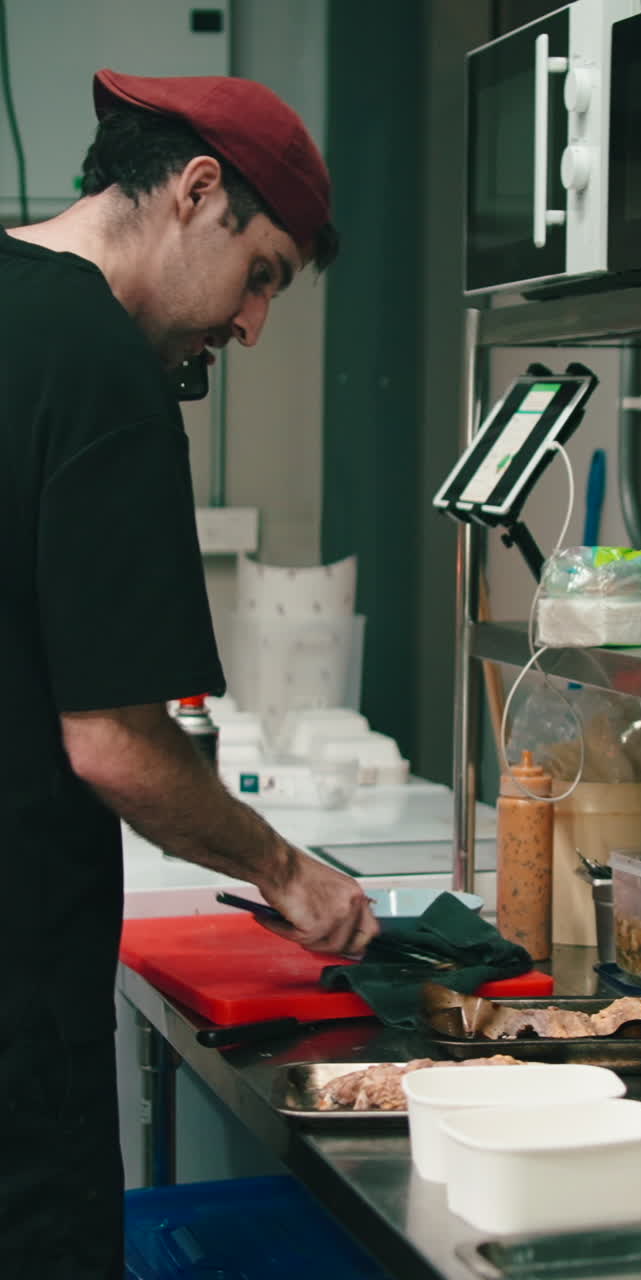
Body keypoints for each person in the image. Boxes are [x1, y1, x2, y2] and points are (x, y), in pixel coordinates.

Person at [0, 69, 379, 1279]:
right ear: (197, 190)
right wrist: (289, 869)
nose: (253, 324)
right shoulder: (101, 364)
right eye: (261, 272)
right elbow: (110, 740)